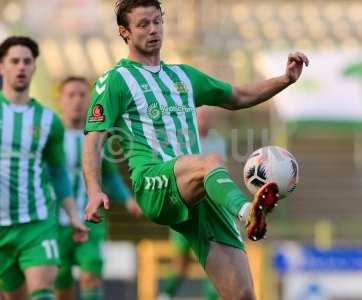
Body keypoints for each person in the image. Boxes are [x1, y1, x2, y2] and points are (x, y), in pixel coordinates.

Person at [83, 1, 309, 299]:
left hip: (198, 190)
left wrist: (285, 80)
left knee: (242, 294)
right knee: (209, 162)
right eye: (143, 24)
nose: (153, 30)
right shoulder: (116, 80)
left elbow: (238, 95)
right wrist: (94, 189)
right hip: (154, 183)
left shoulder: (184, 77)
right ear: (124, 32)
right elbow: (93, 138)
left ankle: (245, 212)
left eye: (157, 21)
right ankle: (247, 211)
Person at [0, 36, 87, 300]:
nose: (21, 67)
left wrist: (73, 216)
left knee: (43, 294)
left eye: (27, 61)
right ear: (2, 67)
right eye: (14, 61)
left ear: (35, 67)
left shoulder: (49, 121)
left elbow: (58, 173)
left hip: (38, 222)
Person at [54, 76, 142, 300]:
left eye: (83, 95)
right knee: (60, 283)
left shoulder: (96, 138)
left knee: (90, 276)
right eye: (71, 95)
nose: (77, 100)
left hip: (91, 221)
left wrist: (128, 199)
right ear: (60, 100)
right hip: (54, 224)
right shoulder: (51, 136)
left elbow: (110, 177)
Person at [160, 107, 224, 299]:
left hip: (209, 208)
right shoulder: (182, 143)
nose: (205, 119)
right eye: (201, 115)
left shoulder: (218, 142)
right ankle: (165, 295)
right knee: (181, 263)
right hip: (185, 209)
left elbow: (221, 173)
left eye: (208, 116)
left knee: (212, 259)